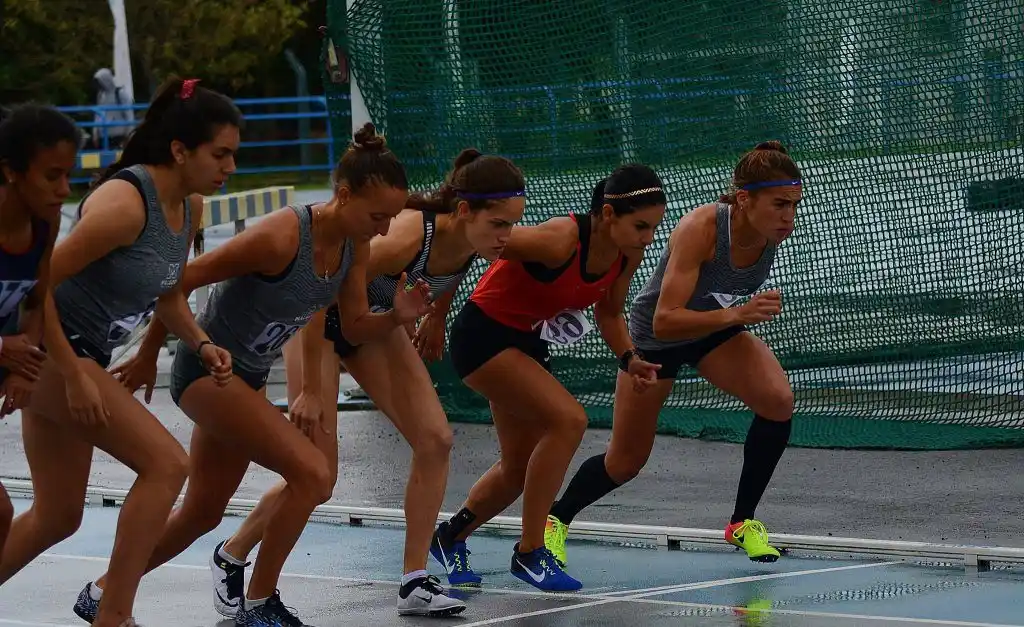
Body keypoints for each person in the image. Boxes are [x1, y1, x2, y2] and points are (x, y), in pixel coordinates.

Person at [90, 123, 428, 627]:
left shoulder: (353, 248)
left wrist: (398, 315)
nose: (384, 229)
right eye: (377, 215)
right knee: (314, 474)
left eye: (391, 219)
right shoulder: (281, 235)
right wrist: (149, 355)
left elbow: (352, 325)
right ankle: (259, 602)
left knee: (202, 513)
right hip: (207, 373)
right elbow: (175, 283)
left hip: (244, 378)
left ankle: (103, 593)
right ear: (343, 194)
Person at [209, 148, 527, 618]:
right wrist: (314, 387)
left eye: (513, 224)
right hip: (317, 325)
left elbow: (448, 270)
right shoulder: (403, 238)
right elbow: (322, 283)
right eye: (500, 224)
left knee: (435, 438)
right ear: (464, 211)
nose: (508, 236)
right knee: (318, 476)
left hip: (372, 324)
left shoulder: (471, 240)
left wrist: (436, 312)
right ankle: (233, 553)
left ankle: (414, 581)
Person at [0, 78, 240, 627]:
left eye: (234, 154)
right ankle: (115, 615)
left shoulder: (191, 206)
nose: (230, 166)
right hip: (54, 355)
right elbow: (38, 290)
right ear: (180, 150)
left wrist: (202, 343)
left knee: (57, 517)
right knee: (166, 464)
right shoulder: (123, 205)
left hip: (77, 360)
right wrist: (71, 373)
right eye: (220, 153)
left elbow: (168, 292)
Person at [543, 141, 801, 568]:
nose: (788, 216)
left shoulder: (771, 231)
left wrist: (731, 316)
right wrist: (739, 313)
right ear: (744, 199)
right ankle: (555, 520)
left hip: (712, 327)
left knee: (778, 400)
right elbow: (665, 319)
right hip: (656, 340)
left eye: (794, 204)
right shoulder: (700, 229)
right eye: (778, 204)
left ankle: (742, 523)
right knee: (624, 463)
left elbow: (714, 311)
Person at [430, 164, 667, 592]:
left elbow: (610, 312)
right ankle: (529, 552)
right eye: (641, 226)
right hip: (481, 336)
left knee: (517, 468)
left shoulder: (626, 252)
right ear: (609, 216)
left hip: (526, 342)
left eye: (654, 227)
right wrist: (436, 314)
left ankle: (450, 536)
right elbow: (467, 239)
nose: (648, 237)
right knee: (569, 420)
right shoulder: (557, 240)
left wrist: (630, 357)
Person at [0, 104, 80, 557]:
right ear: (11, 172)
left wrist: (22, 368)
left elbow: (35, 302)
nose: (64, 190)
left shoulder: (43, 226)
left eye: (69, 175)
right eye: (52, 176)